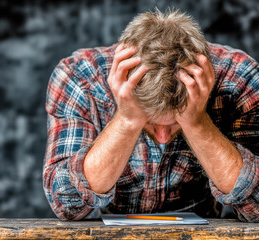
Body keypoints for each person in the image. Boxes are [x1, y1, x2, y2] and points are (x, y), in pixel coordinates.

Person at [43, 9, 259, 222]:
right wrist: (127, 120)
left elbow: (256, 208)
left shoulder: (239, 78)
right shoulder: (80, 77)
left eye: (175, 124)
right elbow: (66, 204)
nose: (163, 137)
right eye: (151, 122)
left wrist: (197, 123)